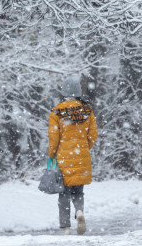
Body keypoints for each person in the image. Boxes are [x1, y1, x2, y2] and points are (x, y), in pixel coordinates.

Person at [48, 74, 98, 235]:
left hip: (64, 159)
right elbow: (93, 135)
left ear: (64, 92)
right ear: (78, 91)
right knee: (78, 191)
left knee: (64, 194)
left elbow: (53, 138)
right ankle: (79, 212)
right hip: (82, 156)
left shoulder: (56, 112)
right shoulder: (87, 110)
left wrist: (51, 155)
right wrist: (84, 147)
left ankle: (66, 227)